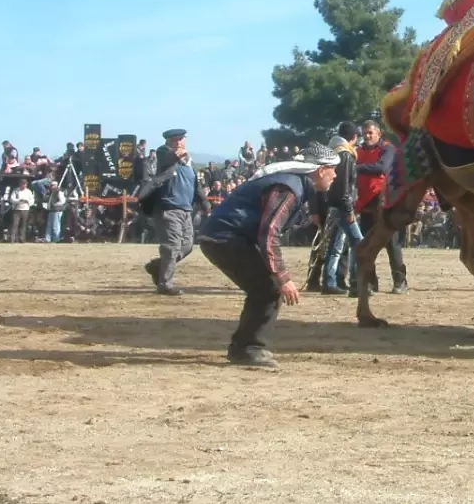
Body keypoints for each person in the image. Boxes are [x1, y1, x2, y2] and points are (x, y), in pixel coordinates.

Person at [198, 142, 341, 367]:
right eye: (333, 169)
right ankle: (248, 350)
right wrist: (283, 278)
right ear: (320, 170)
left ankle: (244, 347)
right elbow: (269, 233)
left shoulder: (293, 183)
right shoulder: (290, 187)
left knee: (263, 288)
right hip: (224, 239)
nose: (335, 175)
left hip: (223, 237)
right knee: (268, 288)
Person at [138, 129, 209, 295]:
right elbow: (168, 159)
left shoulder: (189, 164)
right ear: (168, 141)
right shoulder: (164, 154)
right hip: (167, 208)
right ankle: (165, 284)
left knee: (187, 246)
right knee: (172, 247)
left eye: (181, 139)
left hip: (186, 210)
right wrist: (178, 155)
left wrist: (205, 203)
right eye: (174, 140)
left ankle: (158, 266)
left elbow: (195, 186)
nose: (178, 142)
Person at [351, 119, 408, 295]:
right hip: (365, 203)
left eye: (370, 133)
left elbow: (382, 167)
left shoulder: (387, 148)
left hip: (385, 202)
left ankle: (400, 282)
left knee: (392, 244)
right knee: (368, 245)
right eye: (365, 133)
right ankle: (370, 283)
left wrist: (355, 167)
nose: (367, 136)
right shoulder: (358, 151)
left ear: (378, 133)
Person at [320, 122, 361, 296]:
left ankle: (329, 281)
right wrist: (349, 209)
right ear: (354, 137)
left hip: (333, 205)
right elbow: (344, 186)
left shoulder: (333, 151)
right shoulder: (346, 155)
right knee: (359, 242)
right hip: (343, 206)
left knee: (336, 245)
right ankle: (357, 281)